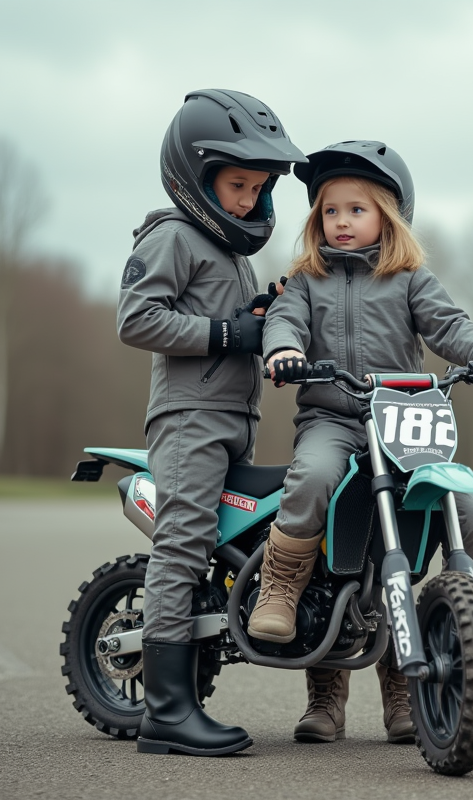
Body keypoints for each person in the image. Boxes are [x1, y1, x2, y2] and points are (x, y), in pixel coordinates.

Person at [247, 141, 473, 744]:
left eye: (356, 210)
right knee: (315, 479)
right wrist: (286, 351)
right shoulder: (305, 281)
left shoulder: (408, 280)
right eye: (330, 212)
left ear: (388, 217)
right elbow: (282, 321)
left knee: (468, 517)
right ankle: (284, 595)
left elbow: (452, 327)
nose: (341, 222)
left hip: (403, 426)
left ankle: (410, 680)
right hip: (334, 421)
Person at [117, 89, 305, 756]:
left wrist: (262, 312)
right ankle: (166, 711)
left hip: (232, 418)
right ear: (193, 176)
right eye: (236, 185)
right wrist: (229, 331)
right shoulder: (172, 234)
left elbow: (225, 322)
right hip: (190, 418)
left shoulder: (229, 249)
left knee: (227, 550)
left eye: (259, 188)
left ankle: (193, 674)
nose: (249, 201)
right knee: (186, 543)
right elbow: (137, 318)